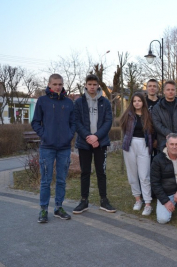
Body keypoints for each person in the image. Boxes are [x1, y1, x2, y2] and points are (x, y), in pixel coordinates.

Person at [31, 73, 76, 223]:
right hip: (47, 147)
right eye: (55, 84)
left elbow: (73, 123)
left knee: (62, 180)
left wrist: (69, 135)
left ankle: (58, 208)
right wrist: (45, 135)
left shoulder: (69, 103)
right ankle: (43, 210)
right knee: (46, 180)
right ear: (49, 85)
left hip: (64, 148)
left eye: (60, 84)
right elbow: (35, 122)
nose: (58, 87)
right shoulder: (42, 101)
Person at [72, 74, 116, 214]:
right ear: (85, 85)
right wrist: (88, 137)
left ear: (98, 86)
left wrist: (96, 137)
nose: (92, 87)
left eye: (94, 84)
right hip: (84, 144)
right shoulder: (79, 102)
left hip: (100, 143)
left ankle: (104, 200)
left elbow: (108, 121)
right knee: (85, 172)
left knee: (101, 172)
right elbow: (76, 121)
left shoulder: (105, 102)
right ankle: (84, 201)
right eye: (89, 84)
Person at [120, 92, 154, 216]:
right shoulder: (128, 115)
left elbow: (152, 132)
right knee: (132, 175)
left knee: (144, 175)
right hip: (130, 145)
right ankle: (138, 200)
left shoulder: (148, 115)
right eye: (134, 101)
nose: (137, 103)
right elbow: (124, 130)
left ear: (143, 102)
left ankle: (148, 204)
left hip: (144, 145)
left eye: (139, 100)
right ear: (132, 103)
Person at [152, 80, 177, 152]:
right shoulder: (157, 107)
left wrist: (176, 134)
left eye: (172, 89)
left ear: (176, 91)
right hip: (163, 143)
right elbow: (156, 124)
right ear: (164, 91)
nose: (170, 92)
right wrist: (169, 134)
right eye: (168, 89)